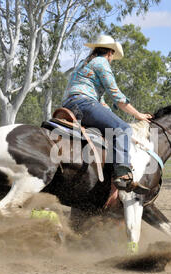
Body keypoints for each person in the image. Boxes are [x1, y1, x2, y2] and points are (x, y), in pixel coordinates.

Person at [62, 35, 152, 193]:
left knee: (113, 128)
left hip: (70, 104)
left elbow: (101, 101)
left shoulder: (85, 63)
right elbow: (116, 96)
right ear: (110, 53)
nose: (112, 59)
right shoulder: (101, 62)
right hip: (84, 103)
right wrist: (139, 115)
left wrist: (113, 117)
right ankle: (122, 173)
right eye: (112, 56)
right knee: (123, 129)